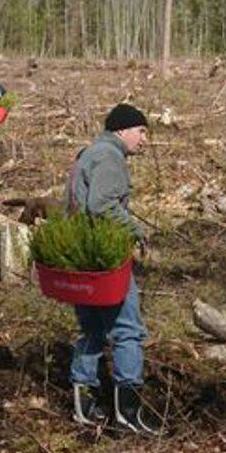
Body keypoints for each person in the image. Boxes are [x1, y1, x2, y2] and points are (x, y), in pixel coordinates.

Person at [66, 103, 157, 435]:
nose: (145, 139)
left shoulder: (88, 154)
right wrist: (137, 229)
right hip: (104, 258)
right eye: (142, 131)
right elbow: (101, 204)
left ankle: (84, 409)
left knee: (91, 329)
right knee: (128, 330)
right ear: (123, 130)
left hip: (79, 254)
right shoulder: (111, 157)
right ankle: (128, 415)